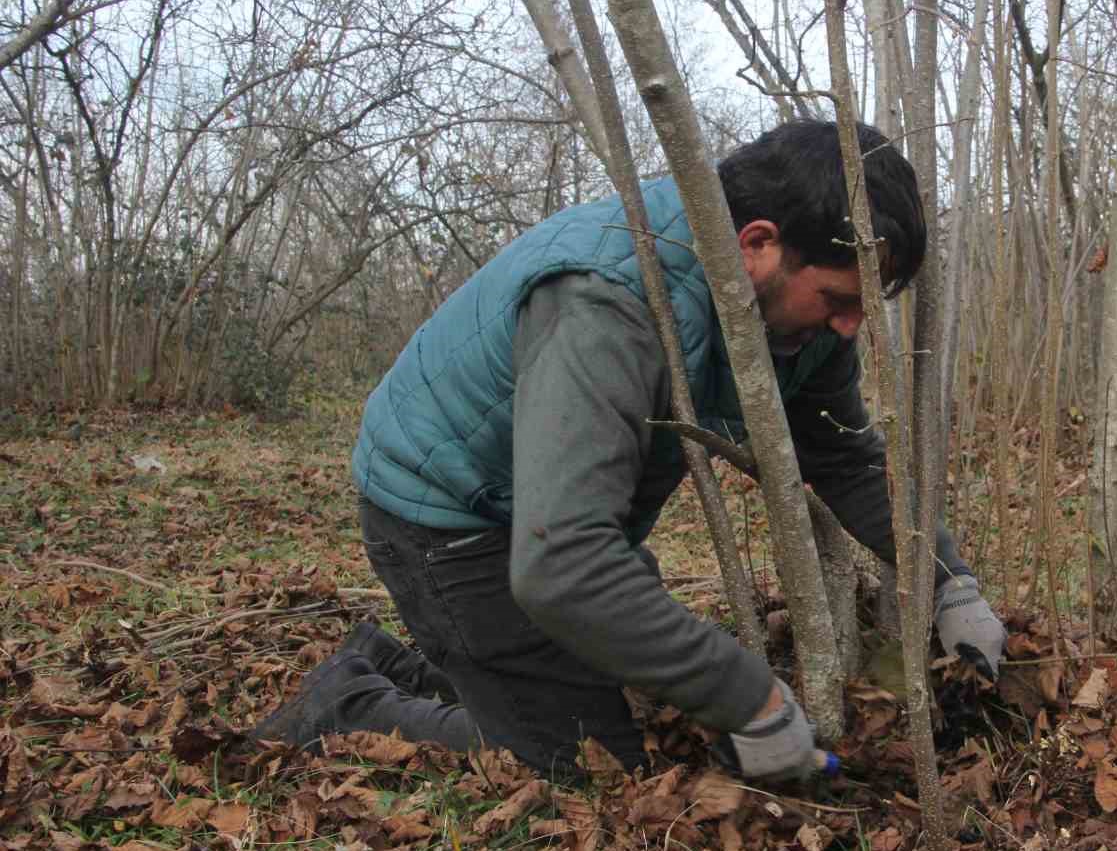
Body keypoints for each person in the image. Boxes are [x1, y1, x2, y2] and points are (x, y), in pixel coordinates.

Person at [251, 120, 1007, 784]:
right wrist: (753, 697)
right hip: (447, 514)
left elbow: (842, 459)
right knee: (582, 757)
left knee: (622, 689)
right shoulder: (610, 303)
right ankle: (348, 703)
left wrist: (950, 583)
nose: (851, 328)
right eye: (840, 302)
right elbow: (564, 564)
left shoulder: (794, 320)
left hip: (545, 514)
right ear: (758, 245)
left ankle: (419, 662)